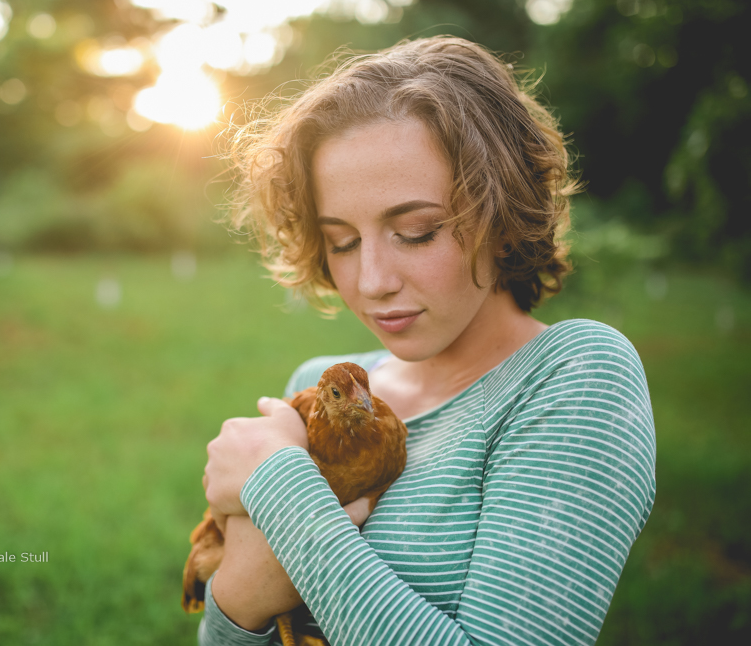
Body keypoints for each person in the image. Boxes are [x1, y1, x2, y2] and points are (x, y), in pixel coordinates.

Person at [199, 36, 656, 646]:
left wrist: (278, 484)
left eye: (416, 232)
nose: (372, 281)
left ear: (502, 213)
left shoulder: (574, 374)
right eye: (342, 241)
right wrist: (239, 598)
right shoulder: (316, 391)